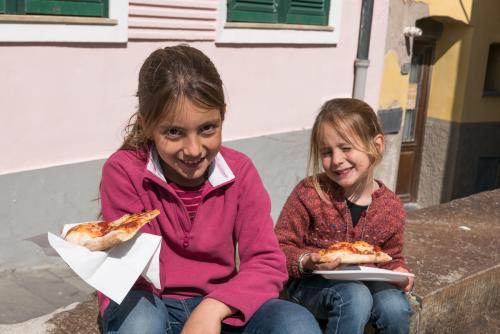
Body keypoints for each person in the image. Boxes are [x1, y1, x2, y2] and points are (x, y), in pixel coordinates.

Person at [98, 45, 321, 334]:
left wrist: (213, 308)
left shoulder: (240, 172)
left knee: (296, 323)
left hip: (220, 304)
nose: (193, 150)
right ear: (147, 126)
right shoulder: (125, 171)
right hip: (150, 301)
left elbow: (267, 262)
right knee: (142, 325)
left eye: (207, 129)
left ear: (222, 117)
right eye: (174, 132)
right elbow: (134, 270)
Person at [274, 98, 414, 334]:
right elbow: (280, 246)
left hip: (367, 281)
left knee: (395, 307)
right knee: (355, 296)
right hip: (312, 284)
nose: (337, 160)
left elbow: (391, 257)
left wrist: (400, 271)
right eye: (327, 152)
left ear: (376, 145)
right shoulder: (310, 192)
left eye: (346, 148)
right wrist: (308, 260)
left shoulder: (391, 207)